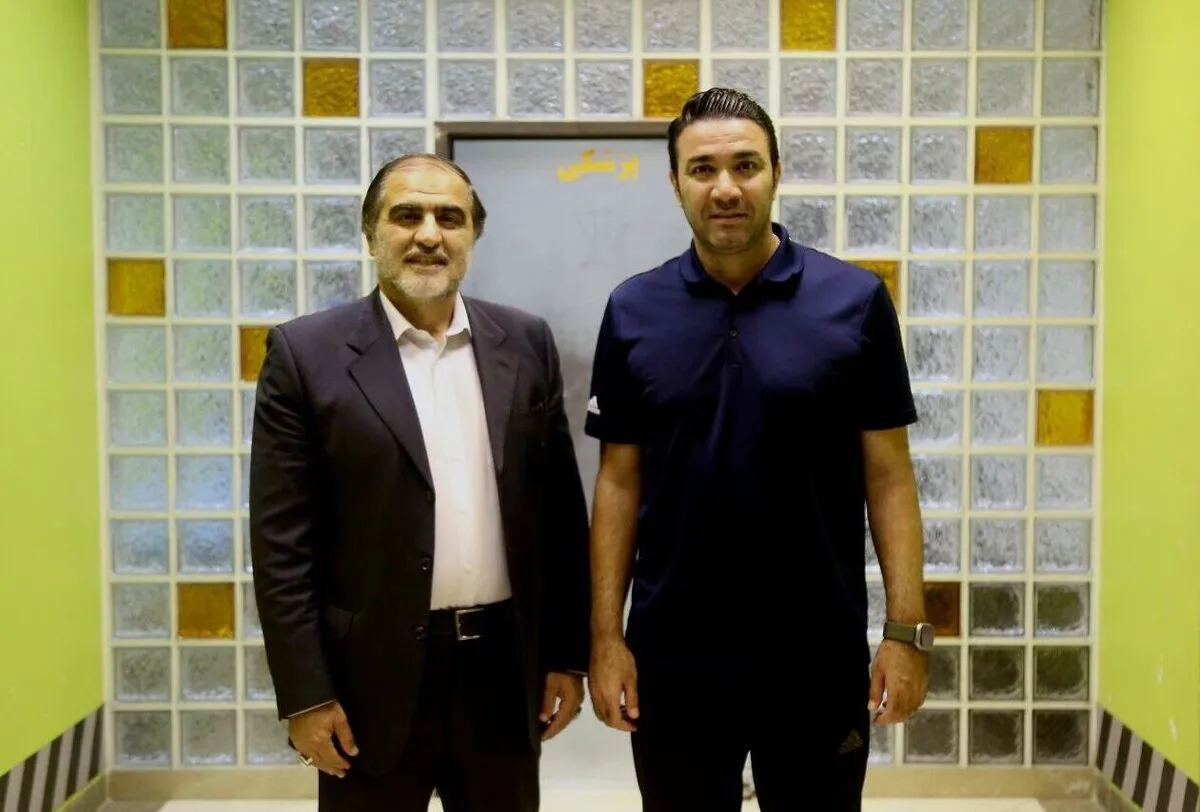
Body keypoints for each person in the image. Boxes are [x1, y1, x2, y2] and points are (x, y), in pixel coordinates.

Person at [584, 87, 933, 812]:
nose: (725, 188)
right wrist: (605, 637)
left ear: (776, 173)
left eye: (745, 165)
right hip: (674, 657)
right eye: (702, 169)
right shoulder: (632, 310)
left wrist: (906, 634)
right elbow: (618, 481)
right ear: (675, 183)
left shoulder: (854, 301)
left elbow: (890, 478)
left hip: (817, 653)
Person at [249, 153, 591, 812]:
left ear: (472, 237)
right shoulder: (306, 355)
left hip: (501, 673)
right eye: (407, 215)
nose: (429, 234)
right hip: (367, 680)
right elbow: (281, 545)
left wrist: (566, 656)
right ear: (371, 233)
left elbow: (559, 517)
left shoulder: (525, 343)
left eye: (449, 218)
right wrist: (305, 694)